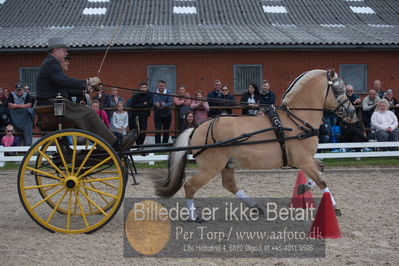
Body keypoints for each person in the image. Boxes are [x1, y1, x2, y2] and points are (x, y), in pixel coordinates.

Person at [35, 37, 136, 151]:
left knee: (88, 113)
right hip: (54, 104)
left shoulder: (50, 63)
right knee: (89, 113)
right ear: (55, 51)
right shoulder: (51, 63)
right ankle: (113, 143)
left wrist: (88, 89)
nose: (66, 53)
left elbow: (65, 89)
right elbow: (64, 81)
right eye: (64, 50)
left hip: (55, 103)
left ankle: (111, 139)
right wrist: (87, 81)